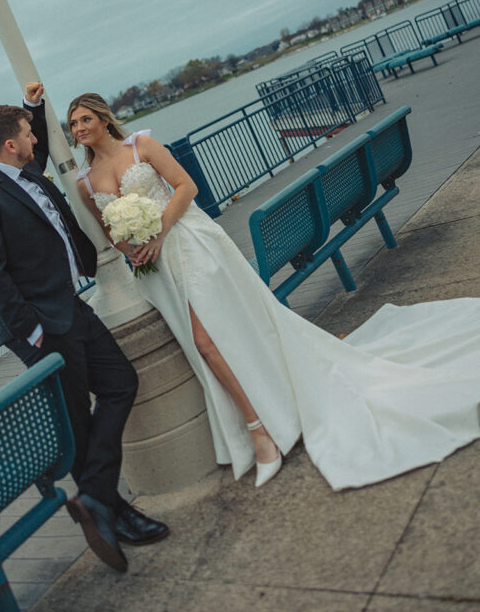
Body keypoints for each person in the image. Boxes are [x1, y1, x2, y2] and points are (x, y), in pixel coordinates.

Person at [67, 91, 480, 491]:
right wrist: (133, 249)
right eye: (72, 124)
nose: (79, 127)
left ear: (104, 119)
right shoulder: (87, 184)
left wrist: (159, 230)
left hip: (192, 246)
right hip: (154, 270)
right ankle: (270, 407)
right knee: (213, 341)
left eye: (85, 119)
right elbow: (109, 233)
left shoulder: (142, 145)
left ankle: (260, 432)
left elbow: (185, 187)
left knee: (207, 341)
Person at [0, 83, 169, 573]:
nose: (36, 140)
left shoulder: (23, 170)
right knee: (77, 417)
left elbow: (44, 149)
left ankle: (95, 498)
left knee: (120, 383)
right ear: (11, 144)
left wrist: (33, 106)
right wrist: (32, 332)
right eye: (29, 133)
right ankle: (114, 512)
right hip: (41, 327)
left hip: (70, 307)